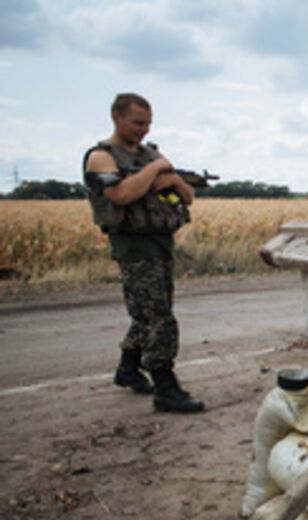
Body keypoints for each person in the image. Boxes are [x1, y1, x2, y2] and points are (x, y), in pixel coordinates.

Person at [83, 93, 204, 414]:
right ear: (116, 117)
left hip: (160, 241)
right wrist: (155, 171)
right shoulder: (102, 157)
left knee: (148, 312)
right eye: (137, 123)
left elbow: (187, 197)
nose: (143, 130)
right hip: (134, 246)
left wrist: (173, 178)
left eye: (148, 124)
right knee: (158, 317)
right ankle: (166, 387)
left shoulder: (150, 154)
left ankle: (128, 369)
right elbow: (121, 194)